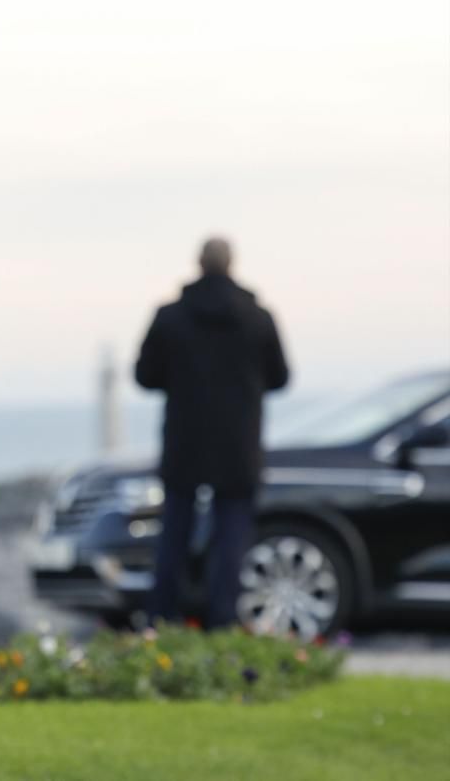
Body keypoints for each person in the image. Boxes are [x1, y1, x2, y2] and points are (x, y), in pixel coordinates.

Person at [137, 236, 290, 630]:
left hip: (184, 443)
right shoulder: (258, 318)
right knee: (232, 540)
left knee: (173, 536)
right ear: (231, 264)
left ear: (198, 264)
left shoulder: (169, 317)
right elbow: (280, 377)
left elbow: (145, 375)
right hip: (238, 446)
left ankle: (161, 617)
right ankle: (222, 619)